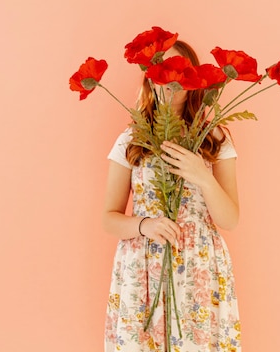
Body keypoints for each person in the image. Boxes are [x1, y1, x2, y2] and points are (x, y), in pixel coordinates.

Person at [103, 40, 242, 351]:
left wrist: (202, 176)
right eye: (163, 70)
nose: (171, 81)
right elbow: (108, 219)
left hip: (200, 266)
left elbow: (230, 219)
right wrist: (145, 225)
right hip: (142, 266)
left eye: (181, 71)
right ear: (149, 77)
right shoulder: (131, 138)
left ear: (195, 81)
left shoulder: (215, 137)